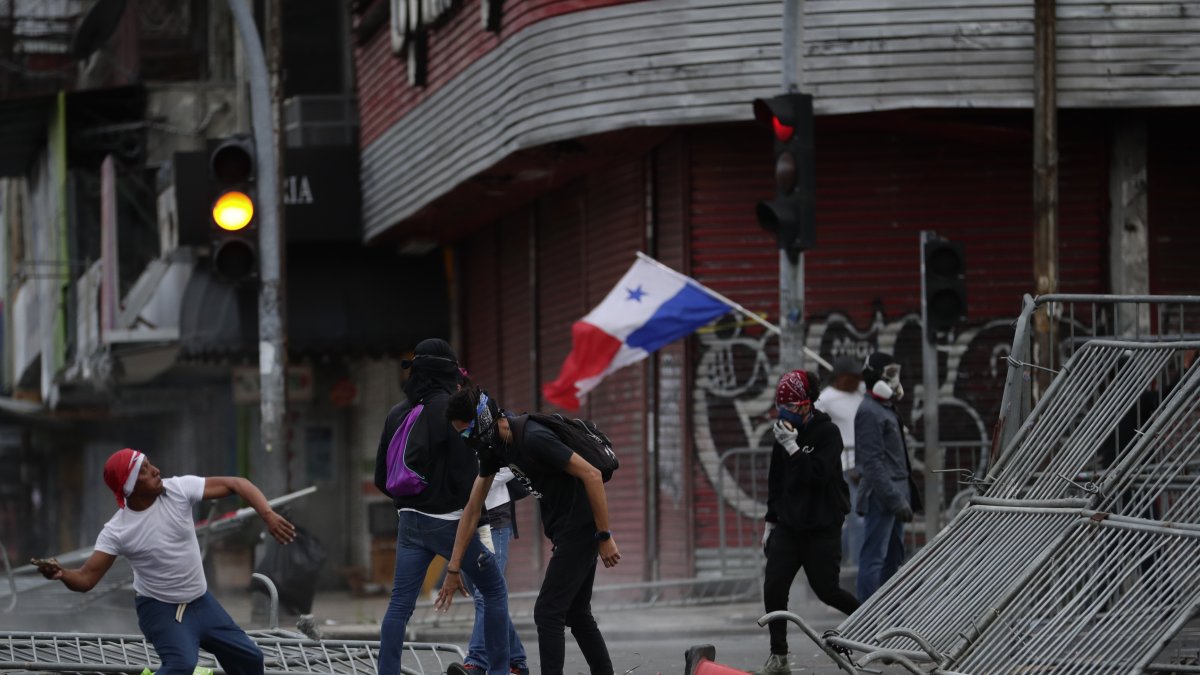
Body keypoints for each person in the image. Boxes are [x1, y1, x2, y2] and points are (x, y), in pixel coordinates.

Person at [33, 449, 294, 675]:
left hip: (201, 602)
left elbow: (237, 484)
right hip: (160, 609)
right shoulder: (118, 530)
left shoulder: (178, 489)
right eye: (145, 470)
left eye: (151, 464)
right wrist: (61, 574)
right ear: (131, 487)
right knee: (182, 665)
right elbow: (87, 579)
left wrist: (267, 515)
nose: (157, 470)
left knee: (251, 658)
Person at [439, 389, 621, 675]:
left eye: (466, 432)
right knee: (576, 612)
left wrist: (604, 535)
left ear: (483, 419)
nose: (466, 440)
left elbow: (592, 475)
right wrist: (453, 568)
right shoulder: (496, 449)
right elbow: (473, 508)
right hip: (566, 529)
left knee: (548, 612)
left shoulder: (533, 437)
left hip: (581, 527)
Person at [371, 339, 511, 675]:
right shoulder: (453, 409)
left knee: (399, 606)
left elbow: (381, 477)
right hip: (450, 523)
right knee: (493, 590)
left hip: (408, 523)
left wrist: (413, 501)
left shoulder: (397, 413)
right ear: (450, 371)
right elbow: (470, 479)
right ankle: (500, 671)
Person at [759, 370, 860, 674]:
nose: (785, 413)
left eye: (791, 406)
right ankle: (779, 657)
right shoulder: (782, 432)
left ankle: (872, 625)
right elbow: (776, 480)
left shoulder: (827, 434)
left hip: (821, 527)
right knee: (774, 587)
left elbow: (817, 476)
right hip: (789, 527)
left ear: (806, 405)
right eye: (782, 407)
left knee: (827, 590)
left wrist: (794, 449)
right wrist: (770, 522)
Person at [457, 389, 530, 675]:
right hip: (465, 518)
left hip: (493, 519)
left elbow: (512, 465)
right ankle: (517, 661)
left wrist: (478, 479)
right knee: (487, 594)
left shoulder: (497, 424)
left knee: (486, 594)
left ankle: (476, 662)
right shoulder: (455, 426)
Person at [854, 352, 918, 602]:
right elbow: (872, 464)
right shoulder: (870, 412)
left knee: (892, 560)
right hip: (883, 497)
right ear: (876, 378)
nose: (895, 379)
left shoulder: (884, 408)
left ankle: (890, 617)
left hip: (894, 495)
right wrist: (895, 500)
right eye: (890, 374)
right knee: (874, 560)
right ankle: (863, 624)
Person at [814, 357, 865, 565]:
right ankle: (856, 566)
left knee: (860, 518)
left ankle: (836, 560)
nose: (857, 380)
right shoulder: (825, 399)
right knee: (858, 518)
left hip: (865, 464)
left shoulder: (861, 391)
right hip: (844, 467)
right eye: (852, 377)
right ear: (841, 378)